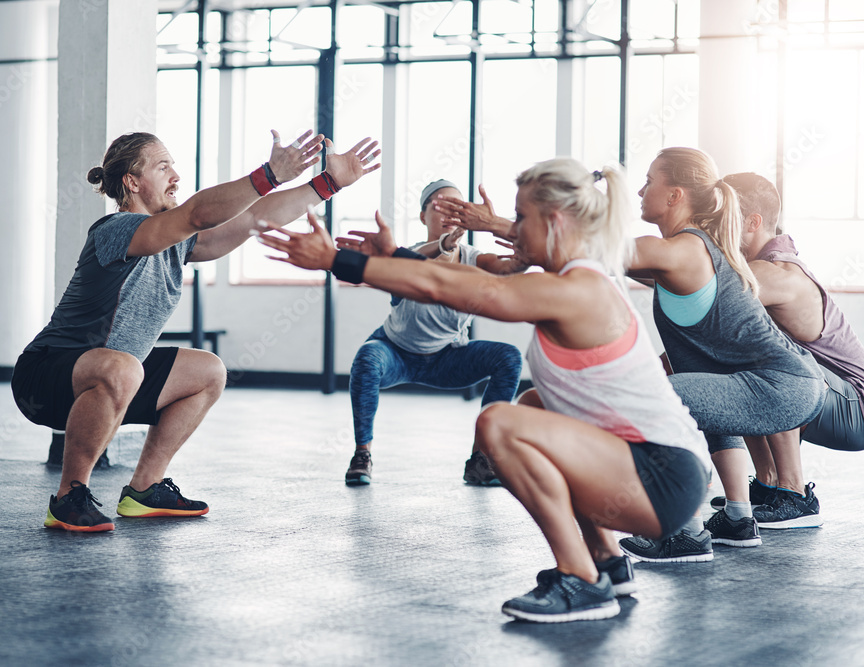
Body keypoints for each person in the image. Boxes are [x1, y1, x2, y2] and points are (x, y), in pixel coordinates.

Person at [255, 159, 711, 623]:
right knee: (534, 404)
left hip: (663, 480)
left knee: (500, 423)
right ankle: (609, 562)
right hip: (661, 471)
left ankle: (581, 579)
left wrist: (338, 259)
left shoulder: (579, 290)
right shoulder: (575, 281)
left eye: (519, 218)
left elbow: (461, 290)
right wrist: (395, 257)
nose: (512, 230)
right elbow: (475, 281)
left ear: (553, 222)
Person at [11, 129, 381, 532]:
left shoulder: (179, 243)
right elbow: (196, 214)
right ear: (132, 183)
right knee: (124, 368)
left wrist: (326, 185)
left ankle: (145, 489)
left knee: (207, 371)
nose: (175, 176)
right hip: (45, 378)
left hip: (116, 379)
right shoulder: (114, 229)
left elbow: (255, 218)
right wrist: (268, 174)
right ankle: (68, 497)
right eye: (163, 166)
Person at [618, 148, 826, 561]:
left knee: (664, 396)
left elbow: (599, 249)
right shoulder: (682, 253)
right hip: (790, 384)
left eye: (649, 181)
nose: (641, 191)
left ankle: (684, 532)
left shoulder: (685, 250)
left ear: (675, 194)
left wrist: (509, 224)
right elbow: (603, 258)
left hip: (789, 386)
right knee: (702, 393)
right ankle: (736, 517)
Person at [333, 179, 525, 486]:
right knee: (367, 356)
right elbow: (415, 258)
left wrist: (516, 244)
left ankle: (480, 460)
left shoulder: (475, 259)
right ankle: (362, 454)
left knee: (508, 357)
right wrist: (442, 246)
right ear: (423, 216)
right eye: (440, 204)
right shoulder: (407, 254)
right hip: (396, 354)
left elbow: (508, 268)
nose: (449, 212)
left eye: (458, 206)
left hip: (448, 359)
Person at [703, 172, 864, 528]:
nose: (712, 229)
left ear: (752, 222)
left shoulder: (776, 273)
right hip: (830, 397)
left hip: (857, 411)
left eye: (721, 220)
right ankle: (769, 483)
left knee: (766, 361)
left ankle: (794, 495)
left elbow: (702, 290)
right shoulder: (759, 267)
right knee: (735, 360)